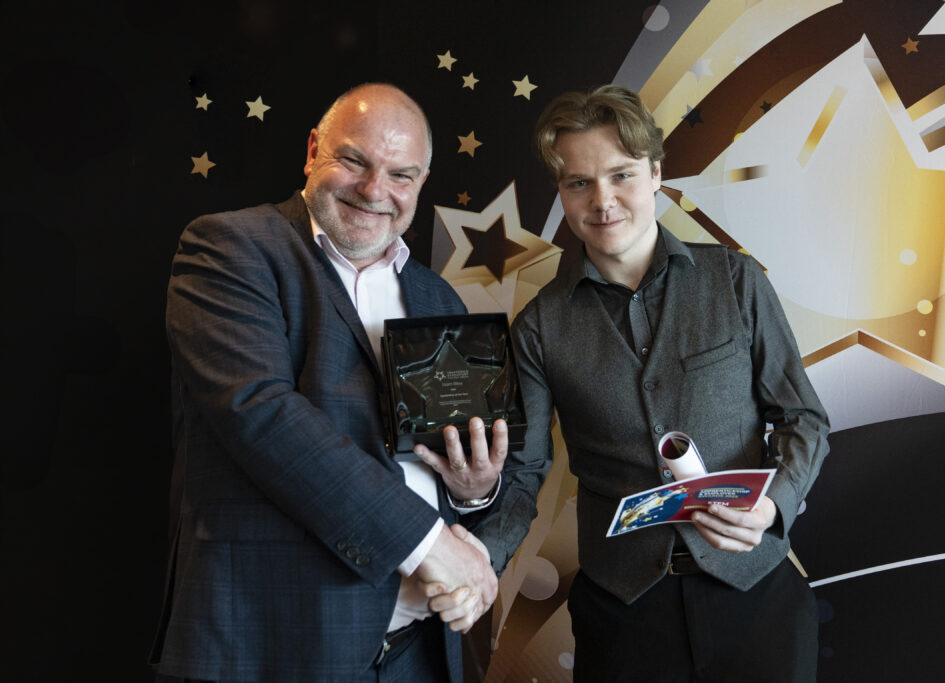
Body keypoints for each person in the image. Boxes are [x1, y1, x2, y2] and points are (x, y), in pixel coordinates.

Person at [150, 83, 516, 683]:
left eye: (401, 174)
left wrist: (472, 488)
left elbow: (442, 467)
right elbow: (263, 416)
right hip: (271, 648)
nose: (375, 191)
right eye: (354, 161)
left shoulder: (436, 297)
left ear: (422, 182)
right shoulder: (230, 248)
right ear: (314, 150)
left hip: (415, 652)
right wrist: (433, 546)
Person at [505, 85, 831, 681]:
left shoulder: (735, 279)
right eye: (579, 183)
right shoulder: (537, 327)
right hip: (621, 614)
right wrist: (477, 555)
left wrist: (772, 506)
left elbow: (802, 419)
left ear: (656, 174)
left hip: (756, 594)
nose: (602, 201)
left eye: (621, 175)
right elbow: (524, 472)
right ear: (561, 192)